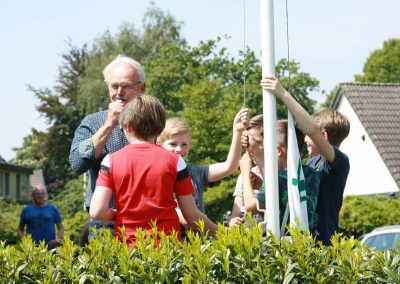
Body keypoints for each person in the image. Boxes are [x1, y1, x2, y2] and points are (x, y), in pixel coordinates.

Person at [90, 95, 218, 246]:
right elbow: (191, 215)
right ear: (160, 127)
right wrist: (225, 234)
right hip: (168, 251)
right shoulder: (176, 161)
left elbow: (97, 211)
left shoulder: (110, 161)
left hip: (129, 250)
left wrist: (123, 215)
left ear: (127, 126)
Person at [260, 75, 350, 245]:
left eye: (308, 136)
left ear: (322, 136)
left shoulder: (340, 162)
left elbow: (312, 129)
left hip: (324, 246)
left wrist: (283, 95)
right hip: (303, 244)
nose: (305, 140)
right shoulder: (310, 163)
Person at [69, 55, 146, 237]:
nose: (119, 92)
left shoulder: (155, 123)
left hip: (147, 223)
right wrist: (109, 124)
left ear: (142, 88)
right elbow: (77, 164)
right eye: (114, 86)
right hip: (105, 226)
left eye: (126, 86)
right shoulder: (93, 123)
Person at [157, 109, 249, 231]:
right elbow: (186, 219)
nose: (179, 149)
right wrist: (222, 233)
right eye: (173, 144)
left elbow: (230, 167)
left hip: (197, 243)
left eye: (184, 144)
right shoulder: (157, 174)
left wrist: (237, 131)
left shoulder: (195, 172)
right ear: (159, 144)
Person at [240, 116, 320, 234]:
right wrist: (263, 184)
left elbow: (249, 207)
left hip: (285, 246)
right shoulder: (311, 173)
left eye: (266, 147)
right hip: (306, 243)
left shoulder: (277, 179)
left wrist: (245, 172)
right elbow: (272, 207)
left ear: (278, 150)